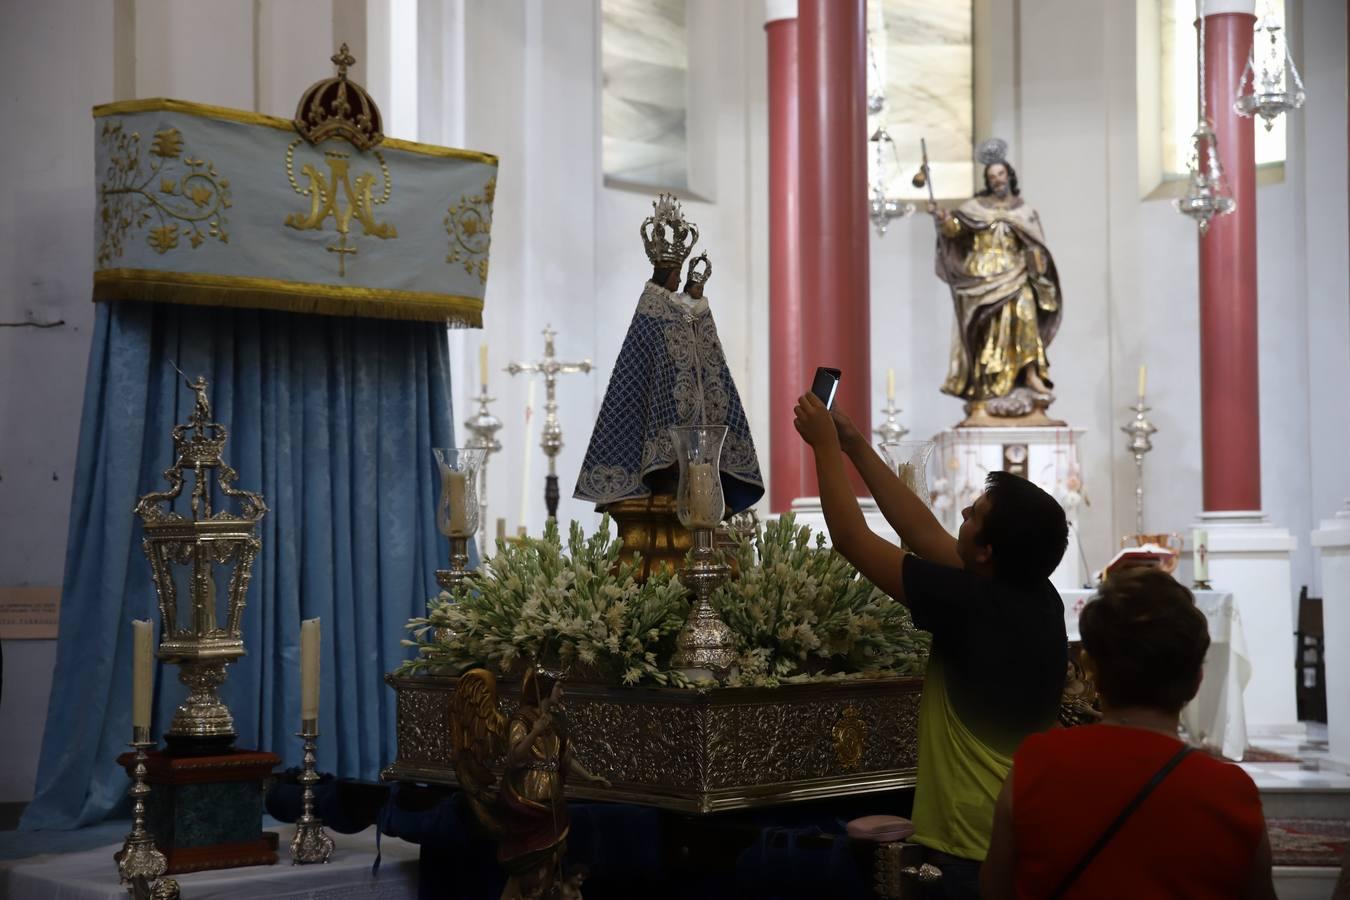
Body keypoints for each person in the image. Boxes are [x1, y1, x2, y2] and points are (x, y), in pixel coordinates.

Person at [794, 392, 1068, 899]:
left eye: (975, 513)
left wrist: (823, 447)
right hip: (1019, 822)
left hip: (971, 842)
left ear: (986, 552)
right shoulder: (1036, 593)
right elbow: (920, 533)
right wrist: (854, 444)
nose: (963, 509)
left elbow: (852, 539)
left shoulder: (971, 605)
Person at [980, 569, 1276, 900]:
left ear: (1090, 668)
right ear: (1196, 680)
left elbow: (995, 889)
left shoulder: (1037, 764)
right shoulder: (1231, 792)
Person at [574, 194, 763, 514]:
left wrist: (695, 298)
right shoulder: (650, 310)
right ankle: (661, 471)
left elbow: (695, 337)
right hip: (661, 415)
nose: (677, 280)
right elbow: (641, 366)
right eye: (676, 276)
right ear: (665, 273)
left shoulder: (675, 306)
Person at [930, 138, 1062, 420]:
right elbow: (955, 229)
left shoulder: (1023, 211)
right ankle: (986, 385)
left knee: (1027, 314)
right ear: (986, 180)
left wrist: (1037, 262)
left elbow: (1037, 245)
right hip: (983, 277)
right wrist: (943, 219)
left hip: (1016, 273)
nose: (997, 180)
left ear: (1009, 175)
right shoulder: (975, 207)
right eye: (992, 177)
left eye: (1001, 174)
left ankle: (1030, 375)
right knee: (988, 330)